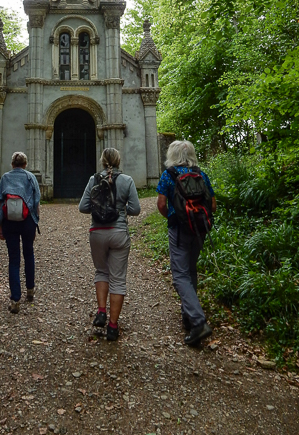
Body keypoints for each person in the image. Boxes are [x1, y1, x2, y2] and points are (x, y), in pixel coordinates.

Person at [156, 140, 217, 345]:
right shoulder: (201, 174)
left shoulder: (169, 175)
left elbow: (162, 204)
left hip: (179, 230)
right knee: (190, 271)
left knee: (180, 275)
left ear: (172, 155)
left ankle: (198, 322)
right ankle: (188, 316)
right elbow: (213, 204)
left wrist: (174, 217)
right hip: (200, 229)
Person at [79, 148, 141, 341]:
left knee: (101, 272)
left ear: (102, 161)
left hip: (97, 232)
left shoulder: (93, 179)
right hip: (119, 233)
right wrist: (121, 210)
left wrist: (99, 208)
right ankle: (113, 327)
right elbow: (136, 209)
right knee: (118, 279)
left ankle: (101, 312)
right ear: (118, 161)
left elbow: (83, 207)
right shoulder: (127, 180)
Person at [0, 152, 40, 313]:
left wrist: (0, 226)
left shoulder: (5, 178)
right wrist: (35, 223)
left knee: (14, 259)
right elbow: (36, 202)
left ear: (12, 164)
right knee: (29, 254)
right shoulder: (30, 177)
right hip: (27, 222)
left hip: (9, 223)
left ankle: (15, 300)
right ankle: (30, 290)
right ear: (25, 164)